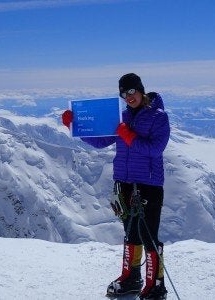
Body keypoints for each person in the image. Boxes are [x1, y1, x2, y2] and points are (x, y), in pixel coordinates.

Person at [62, 73, 170, 300]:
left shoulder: (158, 117)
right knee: (131, 233)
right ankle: (132, 279)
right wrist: (75, 125)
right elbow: (101, 141)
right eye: (124, 93)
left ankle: (156, 286)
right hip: (125, 182)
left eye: (131, 91)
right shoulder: (122, 117)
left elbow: (155, 149)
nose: (128, 97)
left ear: (141, 90)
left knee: (148, 234)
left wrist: (128, 135)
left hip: (148, 183)